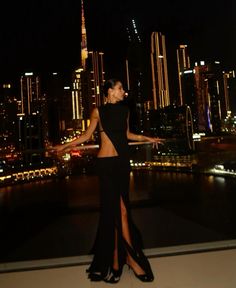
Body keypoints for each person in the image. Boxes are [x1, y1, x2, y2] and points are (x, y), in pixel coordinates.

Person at [53, 79, 162, 283]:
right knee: (112, 212)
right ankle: (117, 259)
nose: (123, 92)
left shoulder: (125, 111)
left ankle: (127, 259)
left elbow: (128, 134)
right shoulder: (98, 111)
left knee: (122, 210)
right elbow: (86, 136)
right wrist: (65, 146)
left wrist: (148, 139)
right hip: (105, 165)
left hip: (121, 163)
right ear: (110, 91)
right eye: (120, 88)